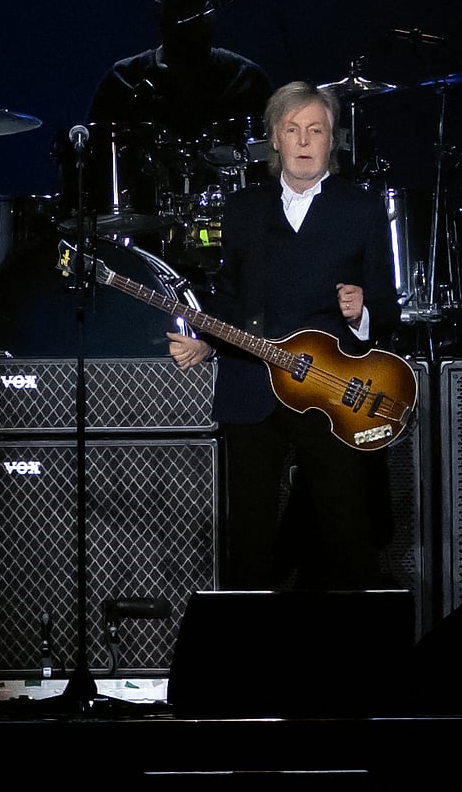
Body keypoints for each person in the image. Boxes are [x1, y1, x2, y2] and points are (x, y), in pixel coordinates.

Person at [167, 80, 404, 590]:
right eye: (292, 130)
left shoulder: (359, 208)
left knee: (347, 535)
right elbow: (229, 297)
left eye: (315, 131)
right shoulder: (244, 209)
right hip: (253, 389)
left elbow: (388, 308)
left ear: (332, 140)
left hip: (330, 391)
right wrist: (207, 340)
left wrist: (361, 311)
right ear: (274, 139)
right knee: (249, 542)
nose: (302, 141)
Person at [73, 0, 274, 258]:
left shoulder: (246, 80)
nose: (188, 20)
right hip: (142, 244)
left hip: (236, 241)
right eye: (180, 7)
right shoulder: (123, 81)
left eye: (197, 7)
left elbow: (274, 163)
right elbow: (90, 168)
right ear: (160, 11)